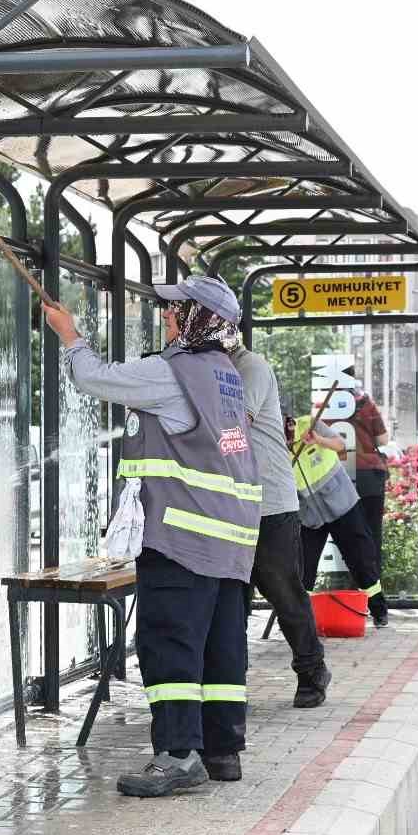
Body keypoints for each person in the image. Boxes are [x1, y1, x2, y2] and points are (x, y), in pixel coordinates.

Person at [44, 274, 260, 796]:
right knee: (220, 647)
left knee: (170, 645)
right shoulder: (225, 375)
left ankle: (178, 755)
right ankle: (221, 751)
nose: (166, 315)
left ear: (197, 318)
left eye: (174, 308)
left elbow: (97, 379)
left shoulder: (173, 373)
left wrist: (68, 335)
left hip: (182, 535)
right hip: (230, 539)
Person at [226, 339, 332, 707]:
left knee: (284, 593)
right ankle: (231, 688)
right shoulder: (206, 368)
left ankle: (311, 669)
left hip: (269, 506)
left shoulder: (250, 367)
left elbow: (234, 423)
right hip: (227, 508)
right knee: (230, 602)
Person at [291, 411, 388, 627]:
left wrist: (318, 439)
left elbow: (339, 444)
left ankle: (379, 610)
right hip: (310, 514)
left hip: (342, 502)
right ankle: (300, 621)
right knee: (303, 567)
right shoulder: (276, 447)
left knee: (361, 557)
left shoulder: (310, 423)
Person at [343, 366, 392, 562]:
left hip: (342, 476)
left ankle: (348, 582)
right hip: (370, 474)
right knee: (372, 533)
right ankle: (372, 586)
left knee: (346, 533)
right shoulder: (365, 402)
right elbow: (383, 440)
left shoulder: (327, 404)